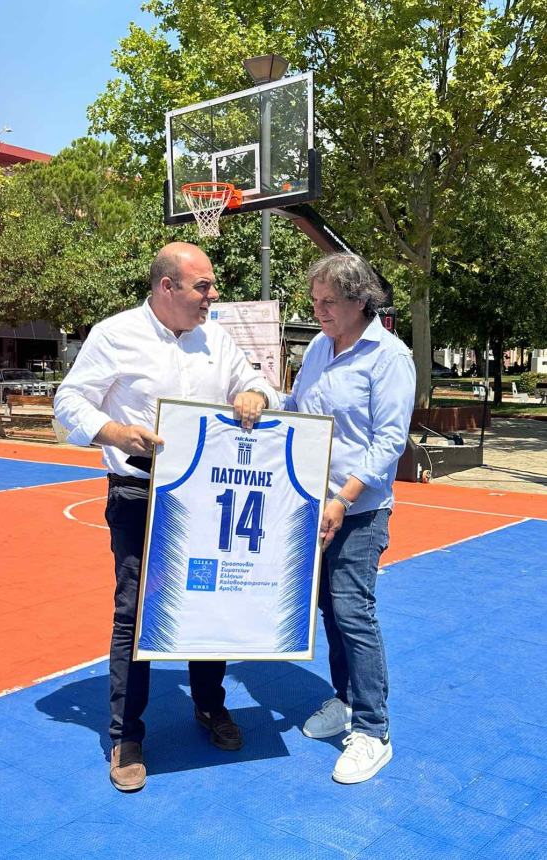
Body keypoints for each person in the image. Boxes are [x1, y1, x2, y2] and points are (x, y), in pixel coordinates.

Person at [54, 242, 278, 792]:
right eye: (203, 286)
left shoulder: (216, 338)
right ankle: (125, 735)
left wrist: (254, 395)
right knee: (135, 613)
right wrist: (115, 432)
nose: (212, 294)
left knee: (209, 599)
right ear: (167, 287)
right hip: (139, 494)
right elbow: (68, 402)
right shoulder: (115, 334)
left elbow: (258, 384)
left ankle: (209, 706)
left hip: (205, 498)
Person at [282, 253, 415, 784]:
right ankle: (344, 698)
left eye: (329, 302)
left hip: (359, 510)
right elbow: (297, 407)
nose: (318, 311)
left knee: (353, 611)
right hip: (315, 506)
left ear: (360, 300)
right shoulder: (319, 347)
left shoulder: (389, 357)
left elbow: (389, 442)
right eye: (315, 301)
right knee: (329, 611)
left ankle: (373, 730)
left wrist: (344, 497)